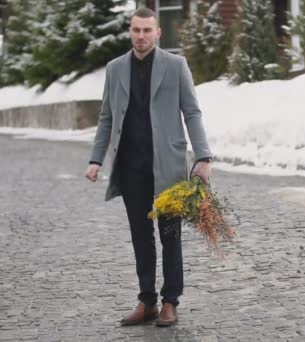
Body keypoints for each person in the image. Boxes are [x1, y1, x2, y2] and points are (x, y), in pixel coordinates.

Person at [83, 8, 212, 327]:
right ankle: (147, 302)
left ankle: (170, 302)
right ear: (130, 31)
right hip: (130, 167)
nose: (141, 36)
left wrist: (203, 157)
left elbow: (191, 113)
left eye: (147, 30)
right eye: (136, 30)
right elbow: (107, 117)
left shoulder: (175, 65)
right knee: (141, 237)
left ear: (158, 33)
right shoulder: (115, 69)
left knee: (170, 235)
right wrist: (96, 159)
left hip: (167, 165)